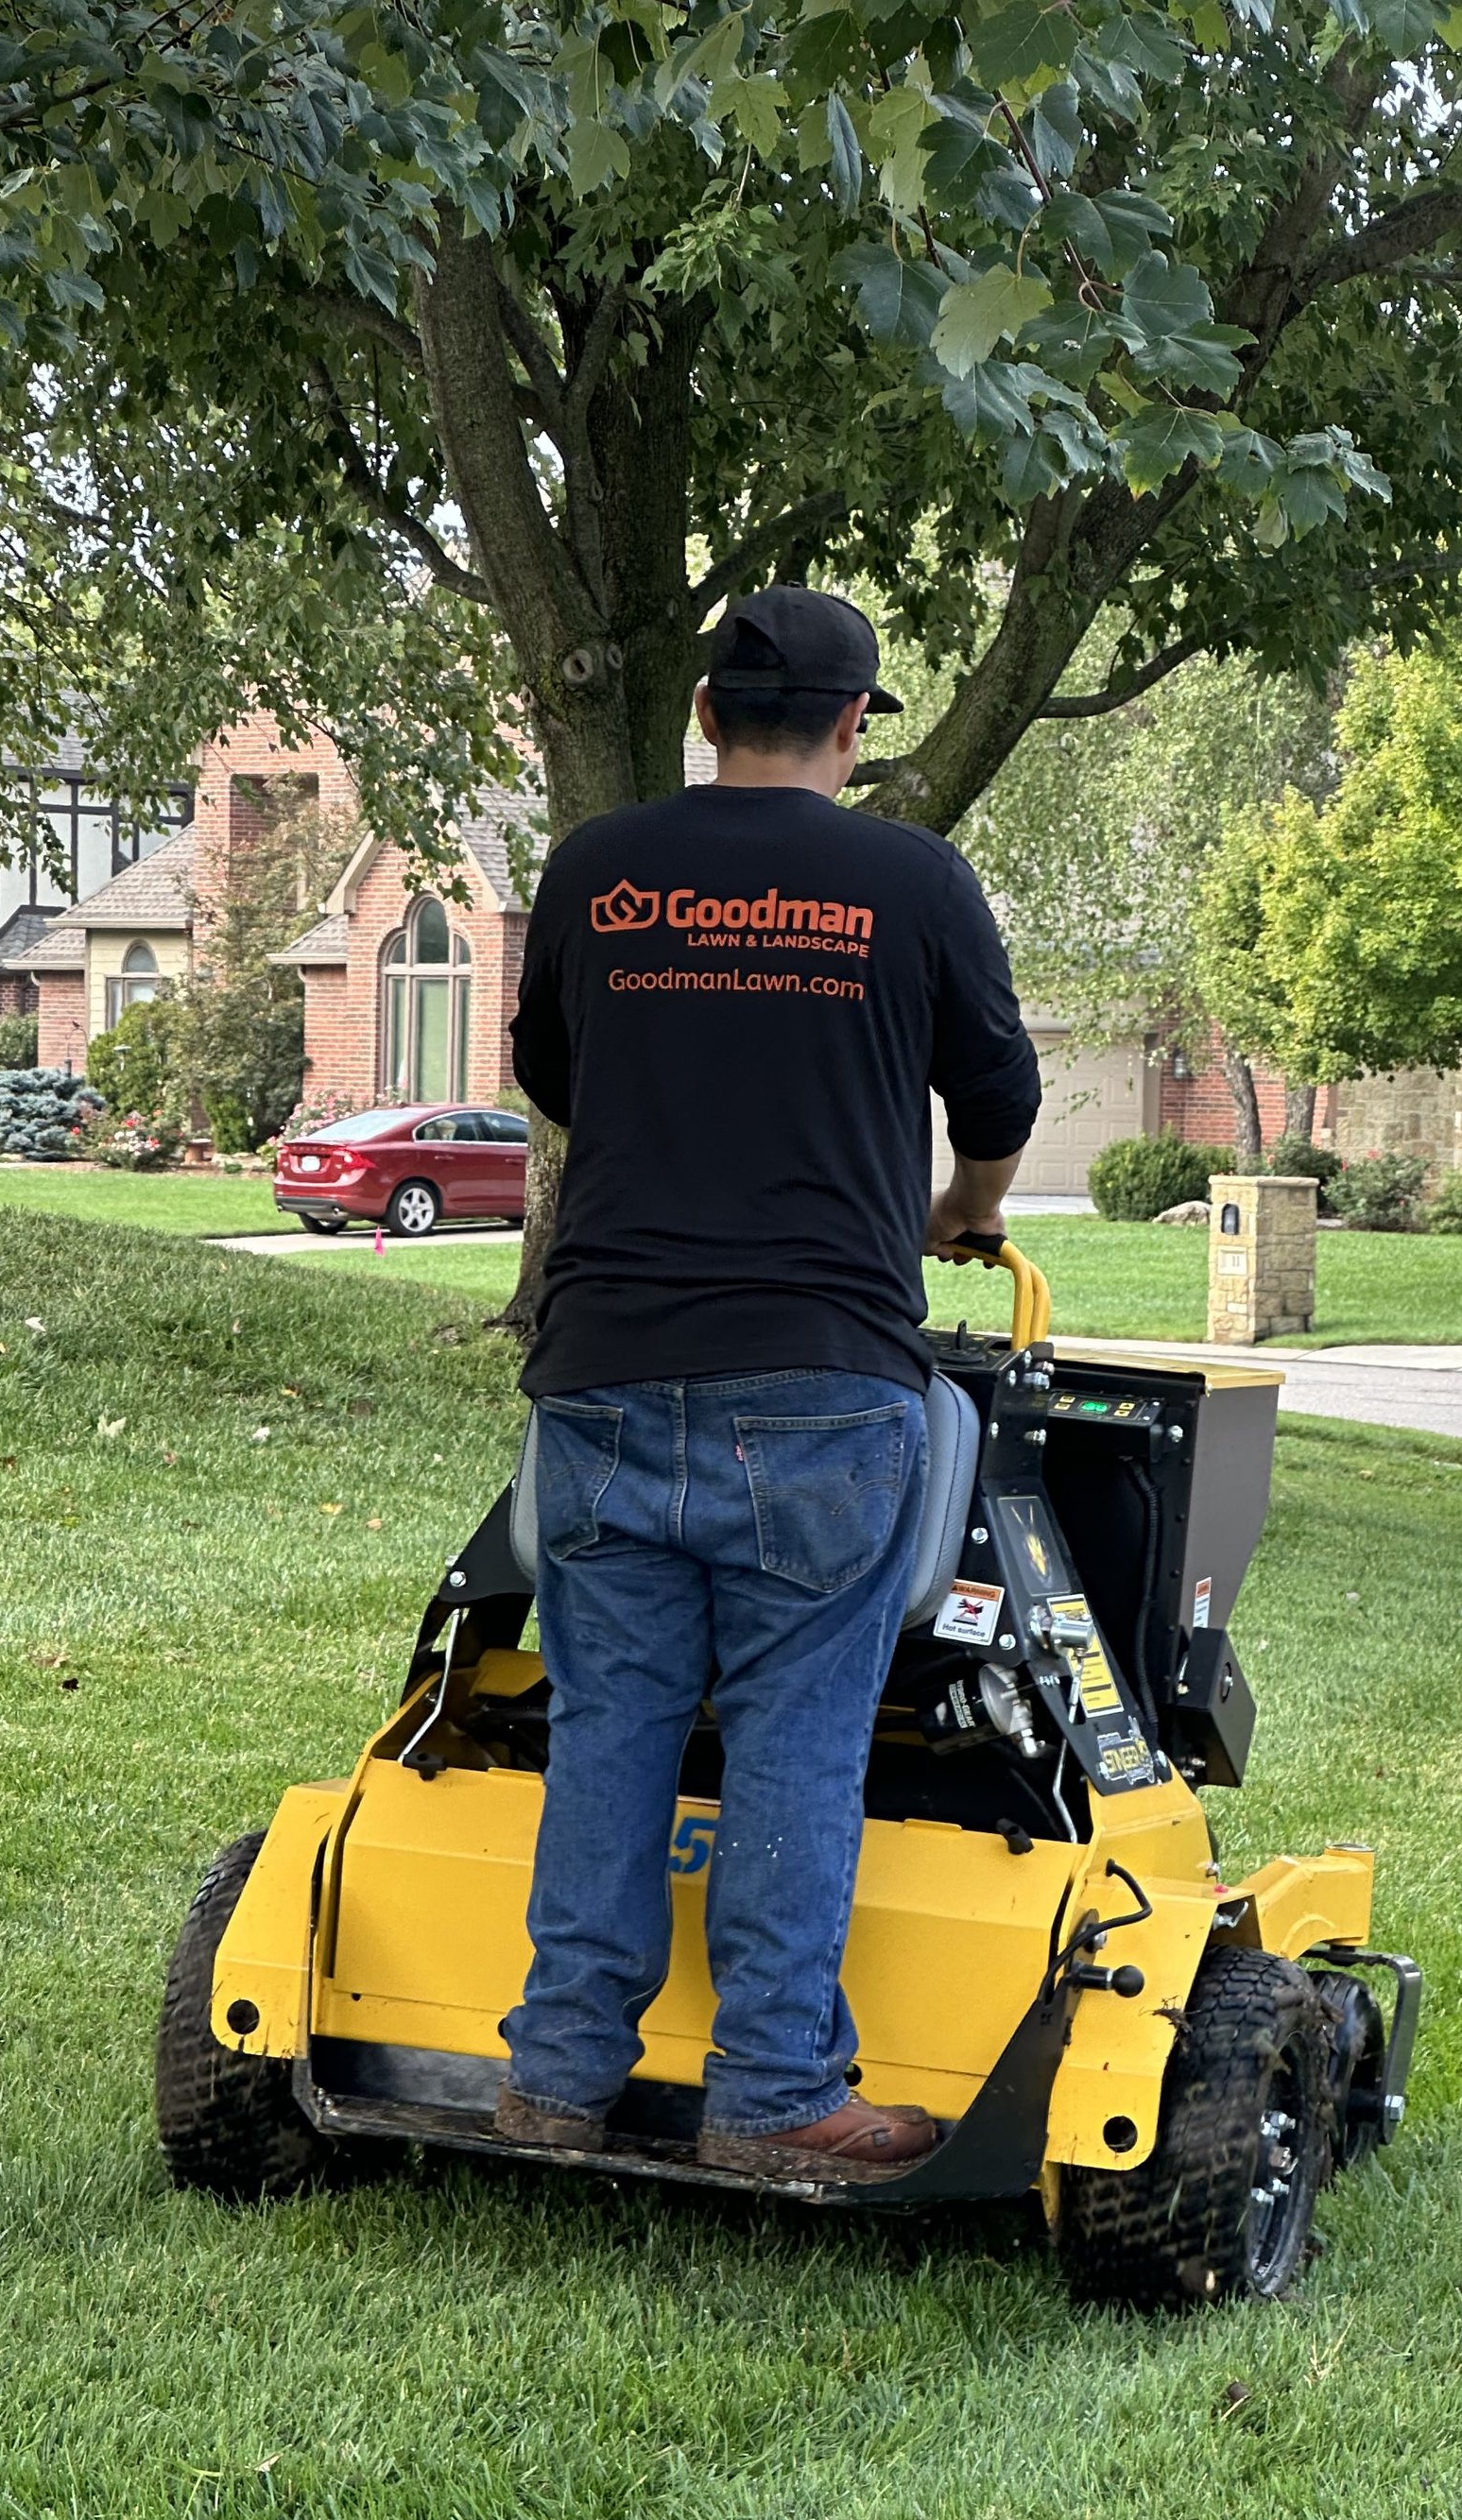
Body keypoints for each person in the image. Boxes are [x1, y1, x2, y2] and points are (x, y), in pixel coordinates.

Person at [497, 588, 1041, 2178]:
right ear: (858, 724)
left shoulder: (598, 868)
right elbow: (995, 1098)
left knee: (611, 1724)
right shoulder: (912, 879)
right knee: (799, 1730)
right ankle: (774, 2092)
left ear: (706, 713)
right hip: (819, 1383)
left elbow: (553, 1075)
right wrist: (964, 1213)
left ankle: (557, 2076)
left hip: (600, 1376)